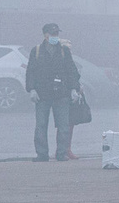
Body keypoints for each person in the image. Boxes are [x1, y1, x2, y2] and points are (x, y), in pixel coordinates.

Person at [26, 22, 81, 162]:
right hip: (42, 95)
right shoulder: (36, 51)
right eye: (52, 34)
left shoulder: (64, 51)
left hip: (61, 94)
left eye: (57, 34)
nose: (55, 36)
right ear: (45, 35)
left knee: (63, 126)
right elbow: (30, 72)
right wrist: (31, 89)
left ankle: (61, 153)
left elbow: (72, 71)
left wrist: (74, 88)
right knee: (41, 126)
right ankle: (42, 154)